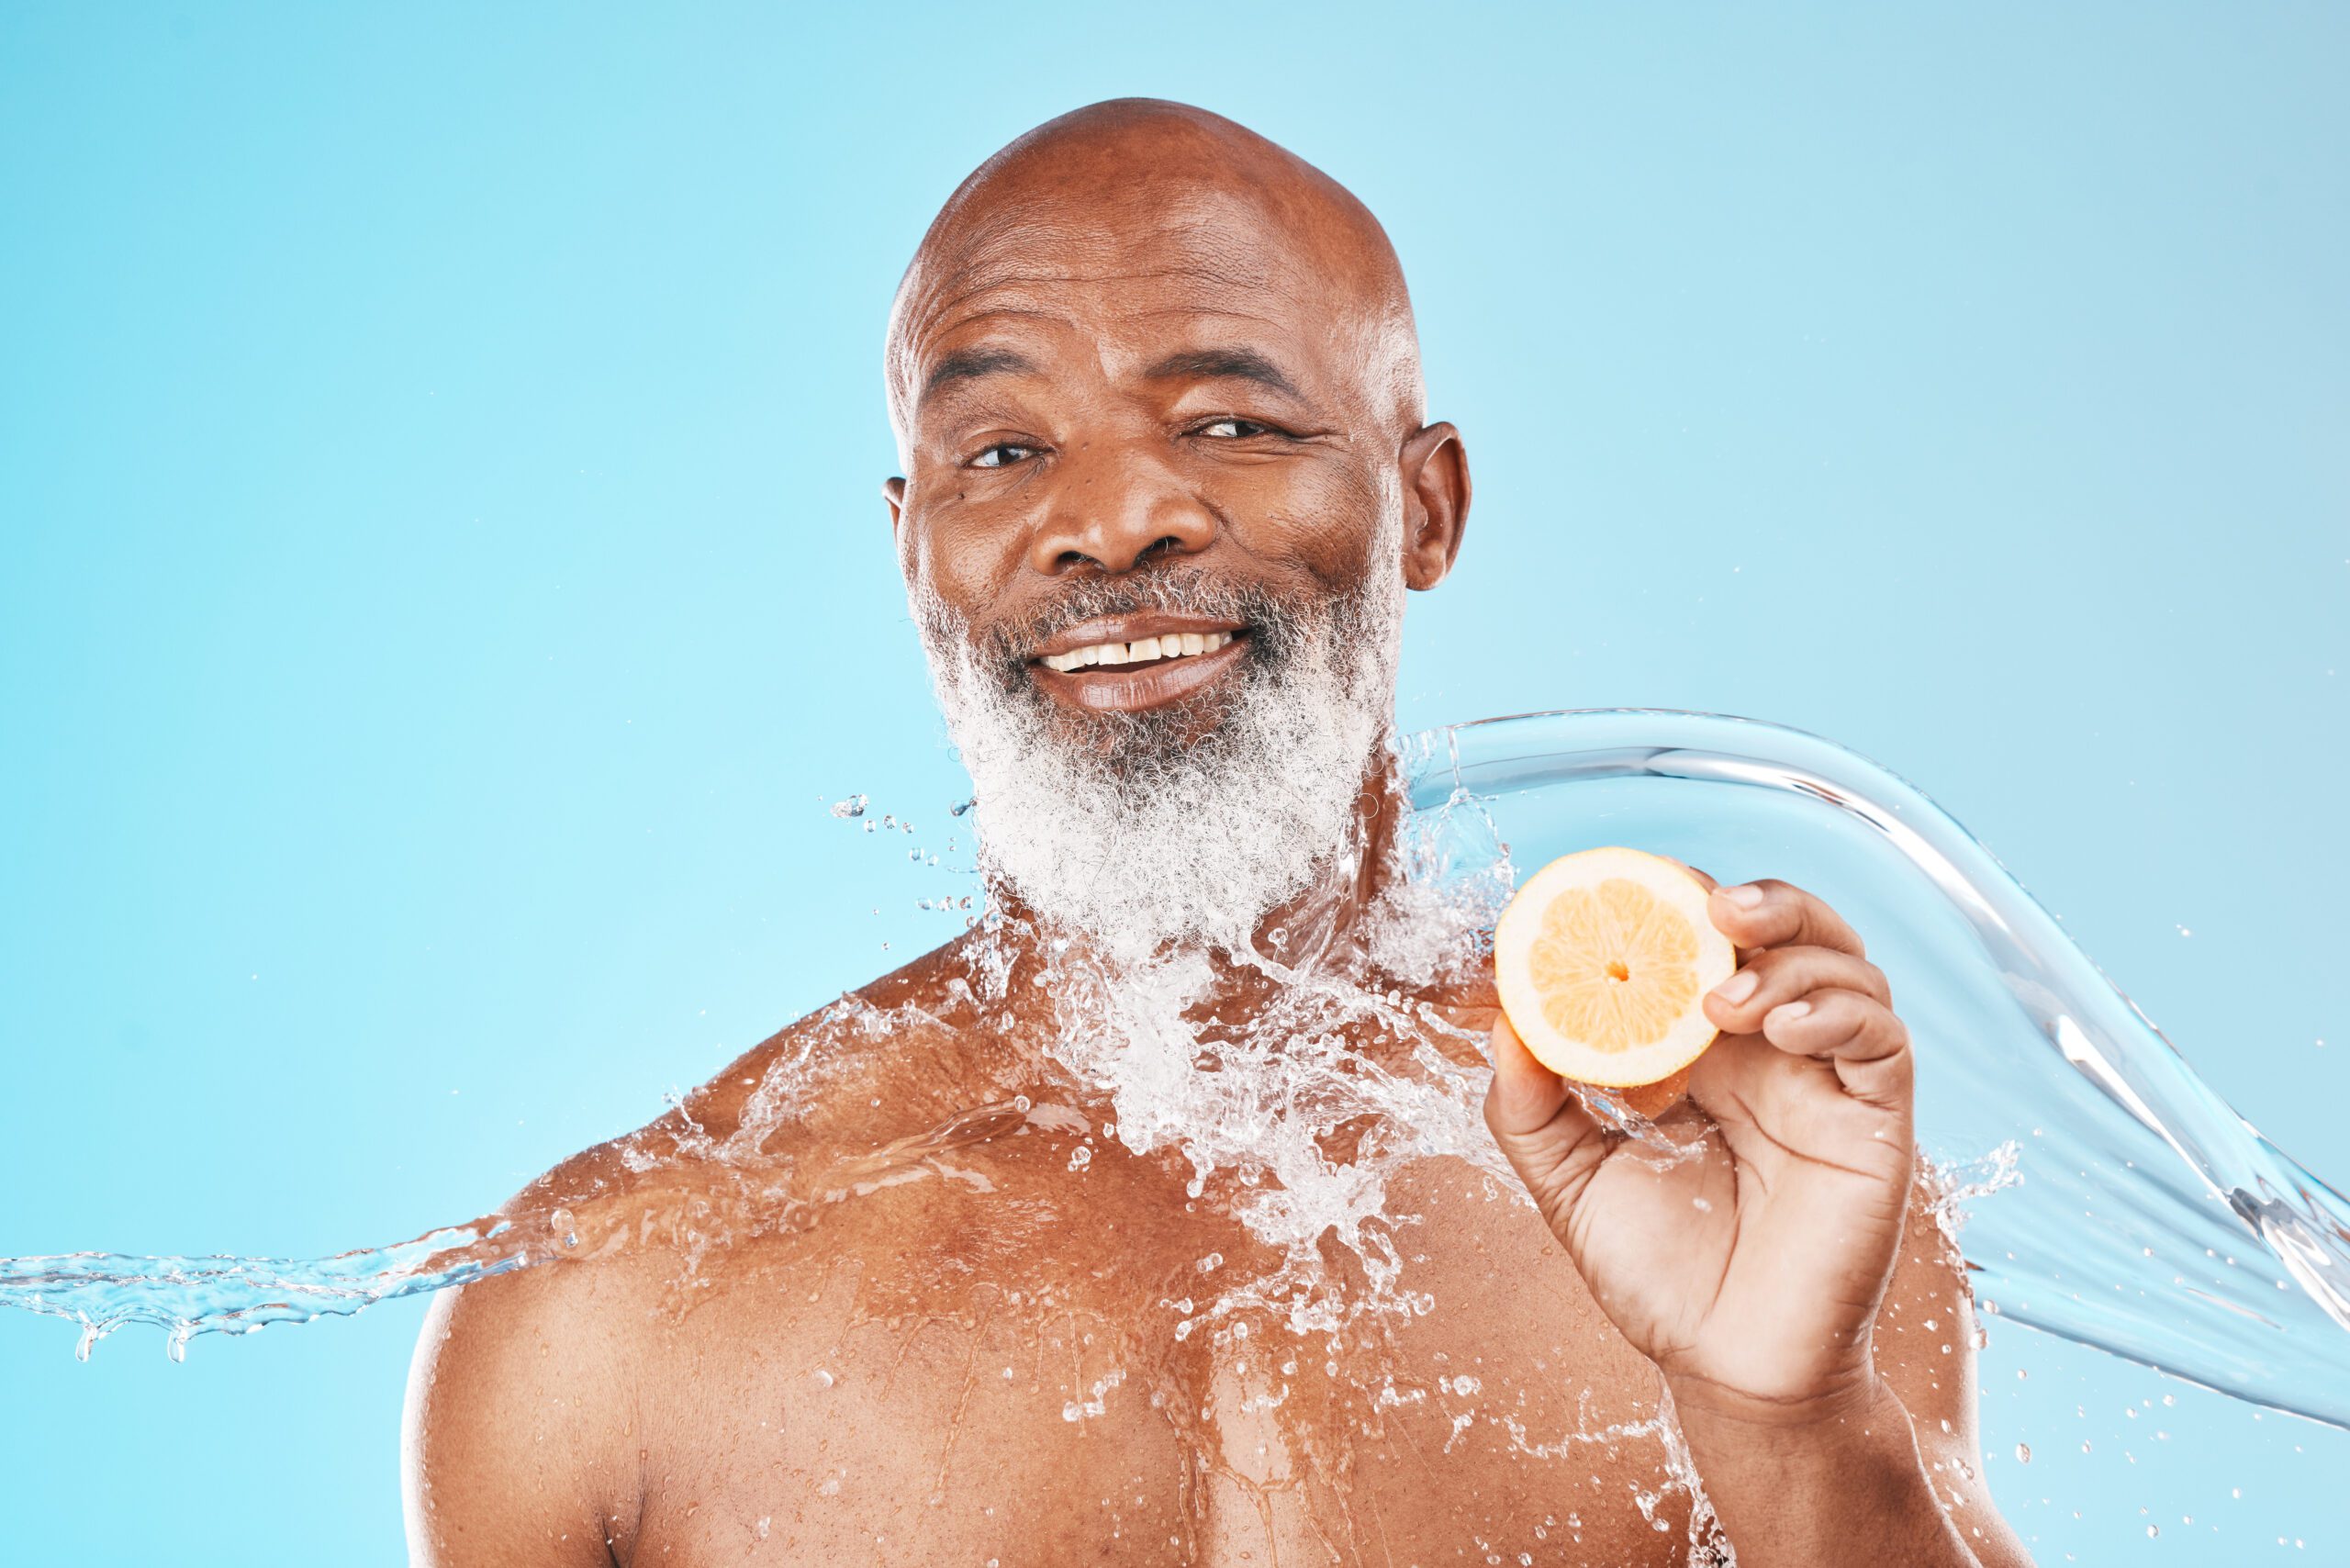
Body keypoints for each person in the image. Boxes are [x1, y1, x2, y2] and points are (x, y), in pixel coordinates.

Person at [403, 99, 2031, 1567]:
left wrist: (1800, 1435)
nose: (1113, 520)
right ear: (912, 551)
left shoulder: (1732, 1177)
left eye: (1232, 427)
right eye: (1004, 451)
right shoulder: (598, 1322)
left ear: (1429, 509)